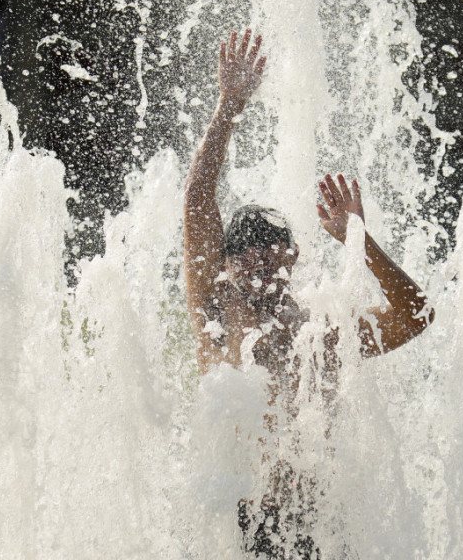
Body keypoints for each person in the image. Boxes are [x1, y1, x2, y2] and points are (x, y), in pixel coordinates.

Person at [183, 29, 434, 559]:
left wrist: (359, 241)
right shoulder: (217, 314)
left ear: (293, 256)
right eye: (242, 247)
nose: (258, 255)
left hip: (322, 529)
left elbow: (417, 315)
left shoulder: (322, 332)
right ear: (225, 264)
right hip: (245, 528)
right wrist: (228, 108)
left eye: (270, 243)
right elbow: (199, 197)